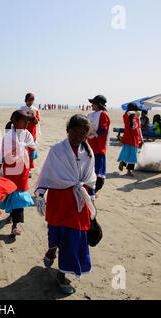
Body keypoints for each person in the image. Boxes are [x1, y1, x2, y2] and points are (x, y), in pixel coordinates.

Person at [35, 114, 97, 295]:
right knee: (55, 231)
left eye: (82, 135)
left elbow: (90, 178)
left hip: (78, 201)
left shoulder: (89, 152)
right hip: (58, 199)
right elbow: (47, 172)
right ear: (67, 130)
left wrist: (91, 199)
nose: (78, 138)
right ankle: (52, 250)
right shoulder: (57, 150)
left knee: (73, 238)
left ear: (86, 135)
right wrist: (40, 193)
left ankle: (61, 275)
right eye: (74, 133)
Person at [0, 110, 37, 236]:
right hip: (9, 170)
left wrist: (28, 152)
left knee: (19, 195)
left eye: (27, 121)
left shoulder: (27, 135)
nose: (26, 123)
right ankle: (12, 214)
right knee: (11, 193)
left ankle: (15, 225)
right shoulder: (8, 137)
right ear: (14, 121)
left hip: (23, 171)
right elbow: (2, 154)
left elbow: (32, 151)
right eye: (23, 121)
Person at [87, 95, 110, 196]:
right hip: (90, 145)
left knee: (98, 169)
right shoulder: (91, 114)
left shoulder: (103, 114)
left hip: (99, 146)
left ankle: (95, 190)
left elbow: (104, 128)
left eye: (94, 103)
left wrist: (94, 134)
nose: (92, 105)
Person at [117, 103, 144, 176]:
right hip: (127, 138)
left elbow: (139, 128)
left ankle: (129, 171)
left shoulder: (136, 117)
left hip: (135, 139)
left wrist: (141, 138)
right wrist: (137, 112)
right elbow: (129, 112)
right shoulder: (126, 116)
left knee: (133, 155)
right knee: (126, 153)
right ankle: (122, 162)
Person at [20, 93, 40, 177]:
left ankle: (30, 169)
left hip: (32, 134)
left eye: (32, 100)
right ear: (25, 100)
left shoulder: (35, 110)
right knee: (23, 150)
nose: (30, 102)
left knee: (31, 151)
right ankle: (23, 167)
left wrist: (33, 116)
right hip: (23, 132)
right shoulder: (22, 109)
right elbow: (19, 120)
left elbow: (37, 122)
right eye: (29, 100)